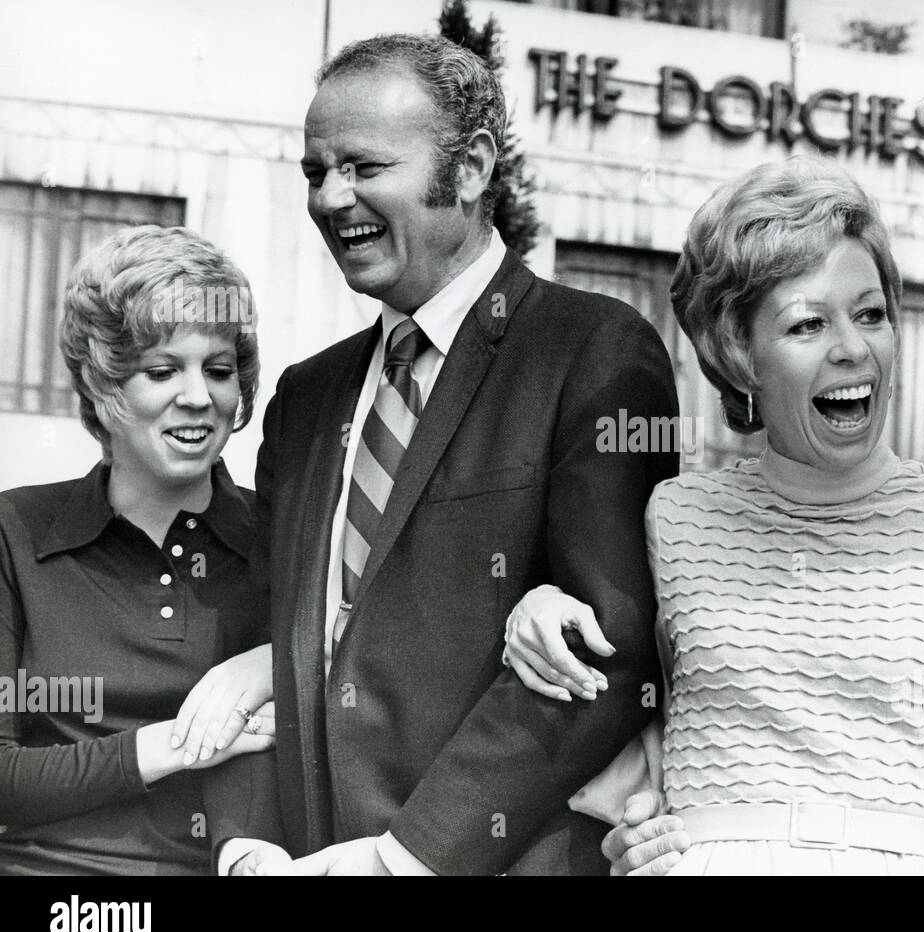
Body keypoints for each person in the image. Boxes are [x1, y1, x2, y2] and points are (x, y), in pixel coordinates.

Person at [503, 156, 924, 875]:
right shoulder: (677, 515)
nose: (853, 349)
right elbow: (628, 714)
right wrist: (534, 606)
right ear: (738, 351)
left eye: (871, 315)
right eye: (807, 325)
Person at [244, 33, 678, 876]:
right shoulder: (305, 398)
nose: (333, 198)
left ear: (473, 168)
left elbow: (606, 654)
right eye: (313, 171)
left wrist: (404, 858)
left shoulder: (592, 353)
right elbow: (279, 643)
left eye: (365, 167)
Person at [0, 225, 284, 875]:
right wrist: (178, 745)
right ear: (104, 388)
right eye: (162, 370)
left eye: (218, 370)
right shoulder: (14, 531)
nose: (198, 396)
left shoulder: (282, 538)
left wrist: (273, 660)